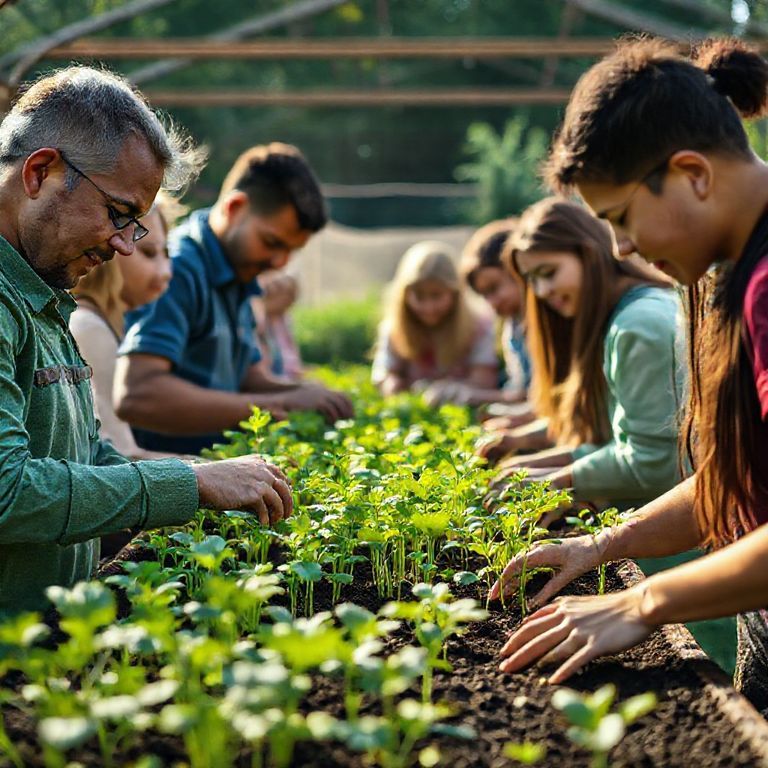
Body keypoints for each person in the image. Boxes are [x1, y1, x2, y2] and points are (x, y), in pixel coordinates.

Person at [490, 38, 768, 716]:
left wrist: (644, 600)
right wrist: (603, 544)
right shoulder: (736, 269)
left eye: (619, 219)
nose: (620, 248)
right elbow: (742, 475)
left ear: (692, 173)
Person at [0, 67, 294, 616]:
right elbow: (7, 491)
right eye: (119, 214)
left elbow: (85, 454)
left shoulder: (44, 298)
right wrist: (187, 483)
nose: (125, 246)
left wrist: (210, 482)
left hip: (50, 650)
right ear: (40, 172)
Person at [115, 143, 353, 455]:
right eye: (271, 242)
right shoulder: (180, 269)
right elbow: (139, 395)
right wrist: (280, 403)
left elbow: (247, 377)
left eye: (290, 252)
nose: (280, 262)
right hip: (172, 475)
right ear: (234, 208)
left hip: (219, 470)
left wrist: (308, 394)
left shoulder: (239, 273)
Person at [477, 197, 684, 512]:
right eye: (532, 279)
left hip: (679, 543)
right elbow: (616, 441)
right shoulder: (622, 317)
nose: (542, 291)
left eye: (549, 272)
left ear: (589, 254)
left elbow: (653, 464)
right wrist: (529, 463)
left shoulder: (637, 326)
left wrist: (554, 482)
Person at [70, 194, 180, 459]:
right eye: (149, 253)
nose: (166, 271)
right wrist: (217, 469)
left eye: (166, 254)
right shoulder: (89, 328)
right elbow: (120, 458)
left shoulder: (105, 324)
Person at [371, 240, 499, 404]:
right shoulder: (394, 329)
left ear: (454, 293)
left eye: (436, 296)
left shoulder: (478, 327)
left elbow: (483, 382)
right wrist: (392, 385)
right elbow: (384, 373)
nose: (428, 307)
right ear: (404, 295)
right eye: (419, 296)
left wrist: (449, 390)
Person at [459, 218, 532, 407]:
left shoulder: (543, 322)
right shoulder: (511, 326)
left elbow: (532, 394)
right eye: (484, 295)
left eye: (494, 288)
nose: (492, 302)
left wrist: (477, 397)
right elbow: (518, 386)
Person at [251, 270, 303, 382]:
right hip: (268, 378)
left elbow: (291, 349)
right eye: (286, 294)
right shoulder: (257, 317)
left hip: (284, 375)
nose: (289, 301)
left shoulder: (283, 320)